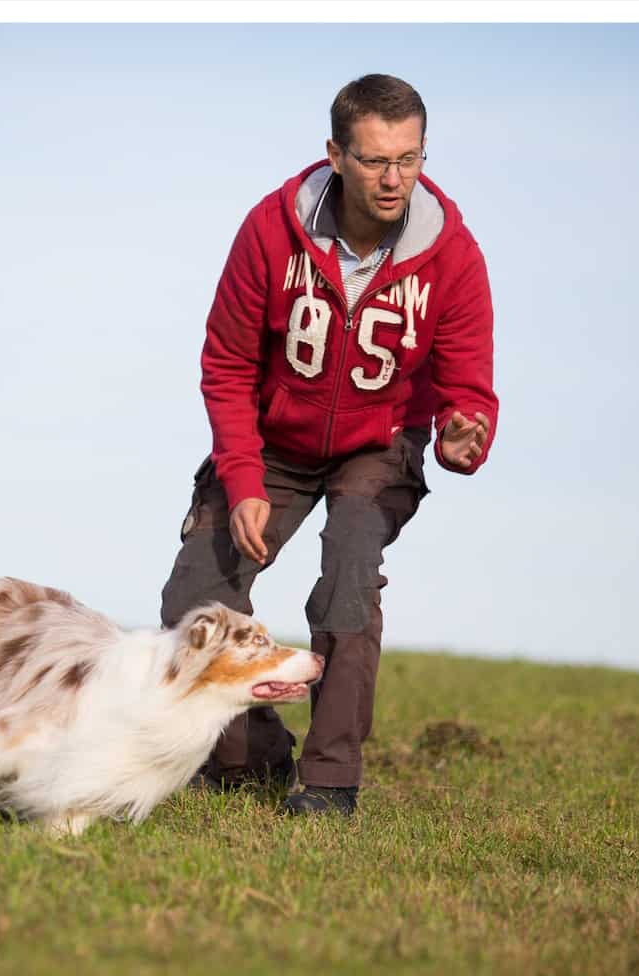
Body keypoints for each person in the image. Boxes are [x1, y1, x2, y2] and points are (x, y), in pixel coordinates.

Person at [158, 74, 498, 817]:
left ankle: (330, 782)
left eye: (409, 159)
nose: (393, 179)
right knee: (193, 597)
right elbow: (227, 364)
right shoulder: (269, 230)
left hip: (378, 447)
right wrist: (242, 476)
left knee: (348, 566)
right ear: (336, 156)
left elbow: (469, 390)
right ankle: (252, 756)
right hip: (273, 442)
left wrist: (464, 438)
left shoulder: (453, 255)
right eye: (375, 160)